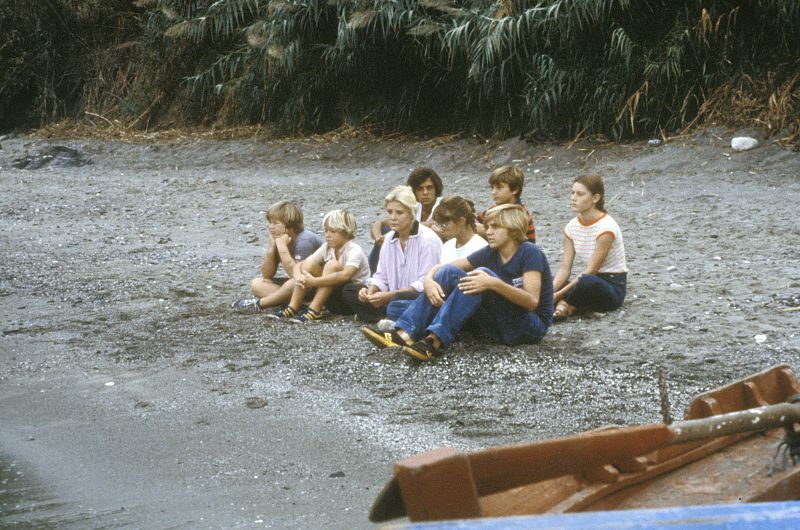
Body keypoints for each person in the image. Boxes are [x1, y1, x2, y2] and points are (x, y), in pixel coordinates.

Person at [361, 204, 553, 361]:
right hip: (498, 324)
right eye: (487, 226)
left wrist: (493, 283)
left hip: (528, 328)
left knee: (482, 274)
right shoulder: (491, 251)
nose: (488, 232)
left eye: (495, 227)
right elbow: (446, 268)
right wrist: (429, 280)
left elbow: (531, 302)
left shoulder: (529, 253)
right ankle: (404, 335)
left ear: (512, 230)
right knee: (400, 303)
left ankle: (434, 342)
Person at [342, 185, 442, 322]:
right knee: (350, 290)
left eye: (399, 213)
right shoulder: (389, 238)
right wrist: (371, 290)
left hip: (418, 296)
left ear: (411, 213)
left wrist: (388, 296)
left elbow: (424, 284)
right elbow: (381, 275)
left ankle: (385, 316)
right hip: (392, 297)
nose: (393, 218)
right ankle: (388, 317)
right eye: (390, 212)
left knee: (400, 303)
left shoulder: (427, 239)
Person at [384, 195, 487, 320]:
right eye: (439, 225)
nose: (441, 230)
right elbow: (437, 275)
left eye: (444, 225)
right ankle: (423, 319)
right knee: (396, 304)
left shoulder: (480, 247)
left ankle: (414, 323)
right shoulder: (448, 245)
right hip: (442, 297)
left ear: (461, 221)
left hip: (461, 300)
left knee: (405, 307)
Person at [267, 209, 371, 323]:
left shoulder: (354, 250)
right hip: (333, 294)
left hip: (351, 297)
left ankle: (315, 309)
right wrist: (298, 277)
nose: (327, 235)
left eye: (332, 231)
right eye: (326, 231)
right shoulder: (327, 247)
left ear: (346, 232)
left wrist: (313, 282)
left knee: (332, 265)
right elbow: (301, 265)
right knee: (309, 264)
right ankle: (293, 307)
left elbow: (345, 275)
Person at [552, 174, 627, 320]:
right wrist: (550, 292)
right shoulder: (571, 227)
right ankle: (566, 304)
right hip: (587, 281)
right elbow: (564, 269)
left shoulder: (606, 227)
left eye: (580, 194)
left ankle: (566, 304)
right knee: (547, 278)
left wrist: (558, 295)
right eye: (572, 193)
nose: (573, 198)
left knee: (587, 282)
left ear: (595, 198)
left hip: (611, 285)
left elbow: (590, 271)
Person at [232, 201, 321, 312]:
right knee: (257, 283)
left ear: (289, 225)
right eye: (270, 223)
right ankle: (300, 304)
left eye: (276, 223)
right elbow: (267, 274)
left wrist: (282, 247)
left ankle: (262, 304)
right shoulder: (281, 237)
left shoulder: (305, 240)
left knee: (292, 282)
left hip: (316, 286)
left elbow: (296, 276)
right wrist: (272, 248)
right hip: (300, 287)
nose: (270, 227)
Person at [368, 168, 444, 272]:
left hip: (433, 250)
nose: (425, 192)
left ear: (436, 189)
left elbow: (433, 225)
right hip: (412, 245)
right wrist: (378, 238)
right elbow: (379, 223)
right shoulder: (414, 206)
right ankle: (375, 273)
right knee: (385, 231)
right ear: (414, 192)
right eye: (420, 189)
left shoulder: (443, 206)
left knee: (392, 232)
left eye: (429, 188)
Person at [475, 165, 536, 243]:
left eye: (499, 188)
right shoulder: (493, 209)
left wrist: (479, 229)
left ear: (515, 190)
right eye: (492, 188)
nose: (493, 192)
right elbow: (477, 219)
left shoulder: (520, 214)